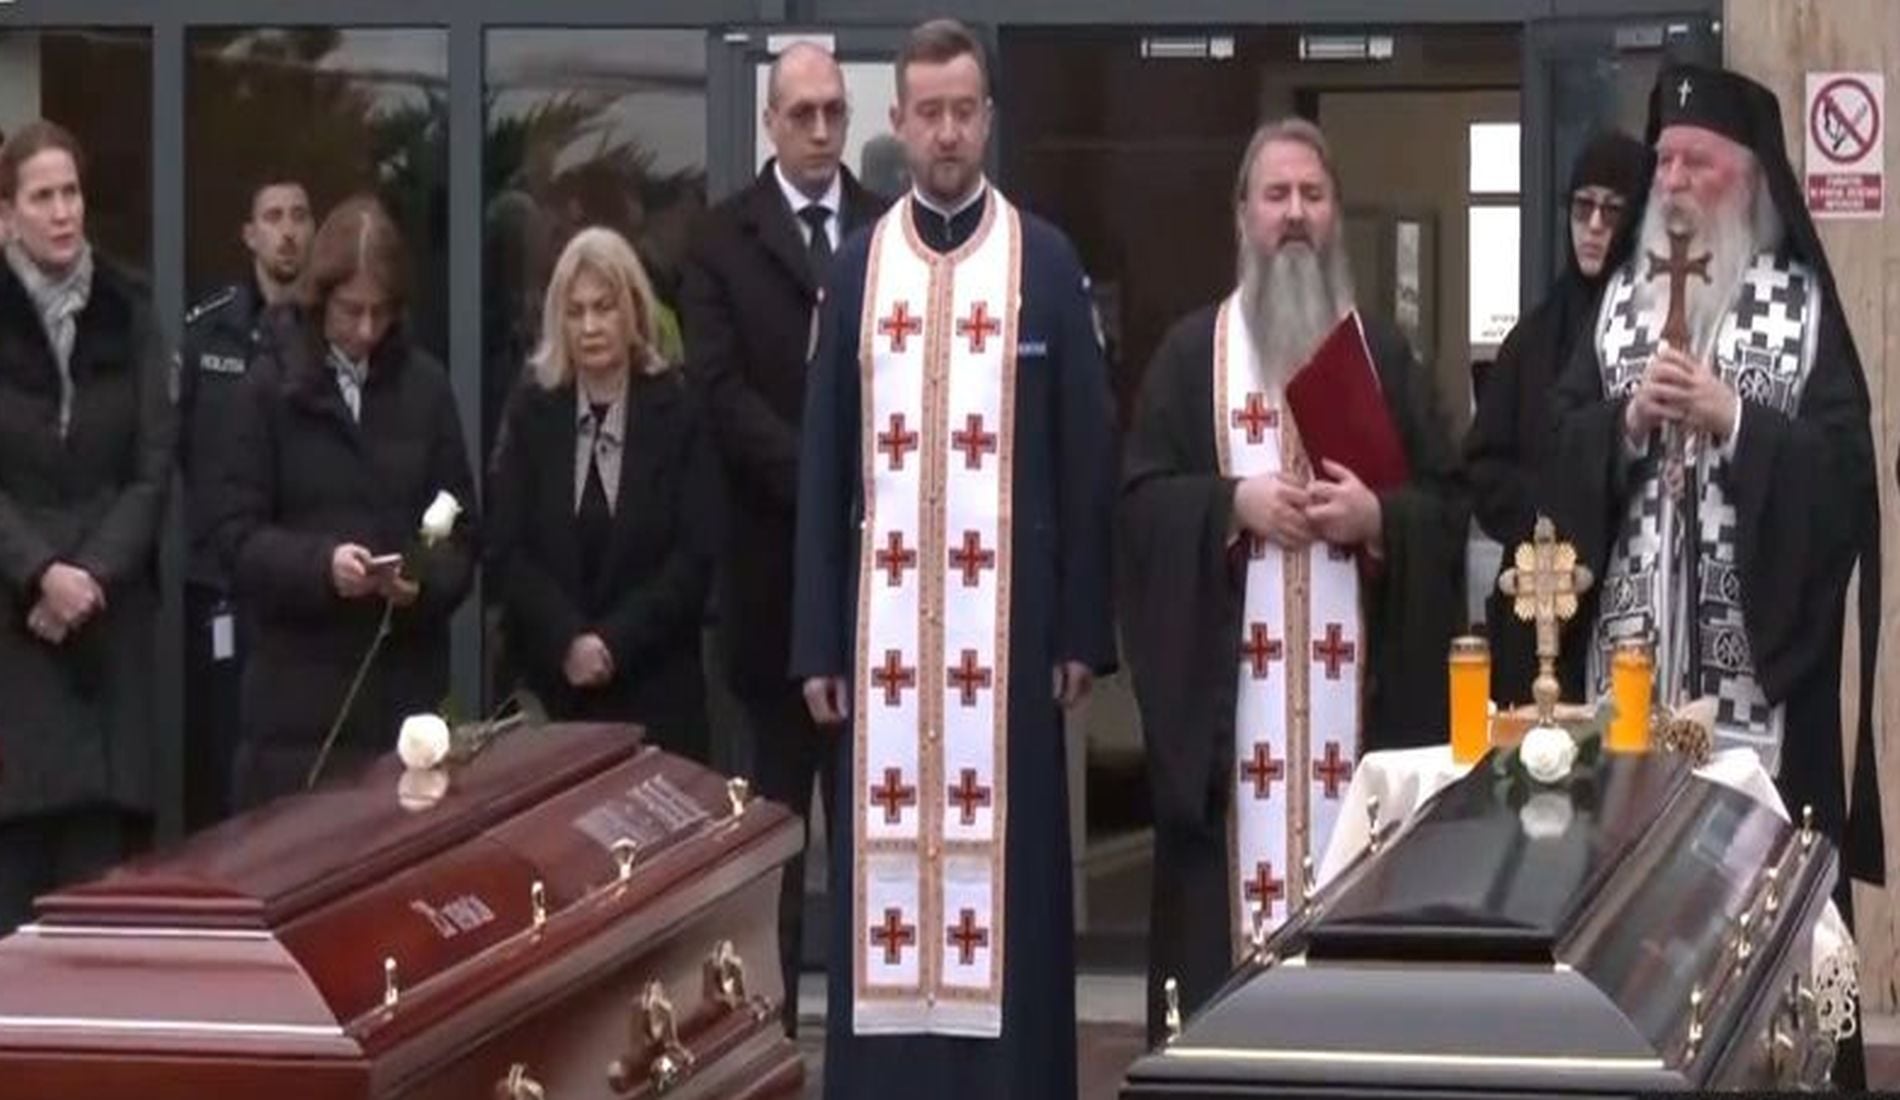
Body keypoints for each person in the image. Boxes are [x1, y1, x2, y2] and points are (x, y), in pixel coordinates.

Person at [790, 20, 1116, 1100]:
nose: (944, 133)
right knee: (882, 894)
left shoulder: (1043, 262)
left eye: (962, 112)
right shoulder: (856, 269)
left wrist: (1081, 630)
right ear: (897, 120)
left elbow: (1085, 455)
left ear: (988, 119)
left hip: (1008, 647)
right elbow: (823, 462)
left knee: (1012, 895)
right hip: (881, 653)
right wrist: (817, 640)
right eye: (926, 113)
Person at [1544, 68, 1881, 1084]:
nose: (1673, 180)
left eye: (1697, 161)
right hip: (1626, 692)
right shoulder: (1616, 311)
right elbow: (1553, 456)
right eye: (1664, 161)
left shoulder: (1803, 311)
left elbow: (1844, 486)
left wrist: (1733, 419)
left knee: (1775, 961)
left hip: (1763, 704)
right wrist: (1626, 422)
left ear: (1750, 180)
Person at [1119, 117, 1468, 1044]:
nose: (1295, 214)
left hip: (1360, 737)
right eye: (1276, 195)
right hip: (1234, 761)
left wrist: (1379, 520)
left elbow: (1450, 505)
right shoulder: (1191, 358)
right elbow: (1140, 509)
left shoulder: (1383, 358)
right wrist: (1231, 506)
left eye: (1313, 195)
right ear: (1242, 215)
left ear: (1336, 214)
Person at [680, 39, 889, 1034]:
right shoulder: (721, 240)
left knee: (871, 837)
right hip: (769, 589)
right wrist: (824, 476)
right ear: (769, 122)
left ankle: (869, 1034)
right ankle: (768, 1038)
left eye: (833, 112)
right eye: (801, 113)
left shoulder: (889, 233)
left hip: (877, 588)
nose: (819, 130)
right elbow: (718, 395)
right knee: (772, 835)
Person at [212, 195, 476, 809]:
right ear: (319, 299)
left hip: (403, 702)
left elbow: (462, 527)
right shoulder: (267, 390)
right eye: (350, 311)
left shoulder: (426, 388)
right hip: (296, 711)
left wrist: (421, 580)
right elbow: (233, 536)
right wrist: (322, 567)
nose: (365, 330)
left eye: (380, 313)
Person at [0, 120, 177, 932]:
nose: (63, 211)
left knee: (100, 908)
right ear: (9, 215)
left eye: (71, 192)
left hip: (108, 639)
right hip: (15, 638)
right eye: (43, 196)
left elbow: (152, 468)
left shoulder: (130, 310)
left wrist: (89, 577)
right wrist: (40, 574)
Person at [488, 227, 715, 759]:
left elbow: (695, 558)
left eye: (604, 308)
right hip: (548, 693)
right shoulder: (532, 412)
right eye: (575, 312)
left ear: (632, 310)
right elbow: (505, 549)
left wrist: (612, 644)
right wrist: (567, 640)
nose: (590, 327)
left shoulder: (678, 410)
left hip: (656, 693)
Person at [1464, 132, 1646, 705]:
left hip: (1630, 597)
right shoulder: (1532, 342)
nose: (1593, 226)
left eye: (1611, 212)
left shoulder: (1648, 336)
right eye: (1582, 207)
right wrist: (1551, 519)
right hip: (1540, 601)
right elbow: (1484, 469)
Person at [178, 172, 314, 830]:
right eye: (273, 216)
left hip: (301, 582)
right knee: (222, 761)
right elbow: (177, 448)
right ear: (249, 235)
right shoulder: (208, 334)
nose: (288, 230)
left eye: (299, 216)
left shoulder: (328, 331)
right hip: (221, 587)